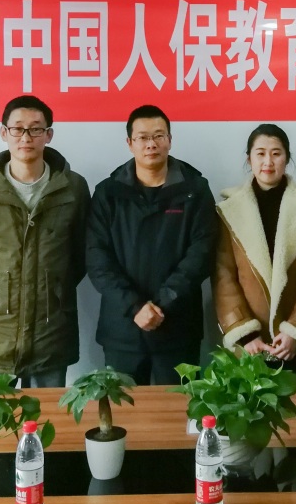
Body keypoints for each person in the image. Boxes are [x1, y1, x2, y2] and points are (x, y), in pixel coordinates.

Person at [0, 95, 90, 387]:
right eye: (18, 128)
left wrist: (52, 289)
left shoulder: (73, 188)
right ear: (4, 133)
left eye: (36, 129)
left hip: (50, 330)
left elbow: (82, 254)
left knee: (47, 415)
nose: (26, 137)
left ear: (48, 135)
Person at [86, 105, 217, 385]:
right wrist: (135, 306)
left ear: (170, 140)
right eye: (143, 137)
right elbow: (97, 259)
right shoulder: (108, 193)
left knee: (180, 408)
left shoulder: (195, 190)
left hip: (178, 326)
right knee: (124, 410)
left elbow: (202, 253)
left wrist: (163, 302)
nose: (151, 144)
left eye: (158, 136)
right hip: (123, 329)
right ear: (129, 143)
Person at [215, 124, 296, 382]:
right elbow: (223, 276)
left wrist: (295, 331)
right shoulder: (229, 210)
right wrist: (245, 333)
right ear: (249, 159)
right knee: (247, 406)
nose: (268, 162)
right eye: (260, 153)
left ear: (287, 158)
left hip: (295, 345)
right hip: (249, 346)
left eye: (276, 153)